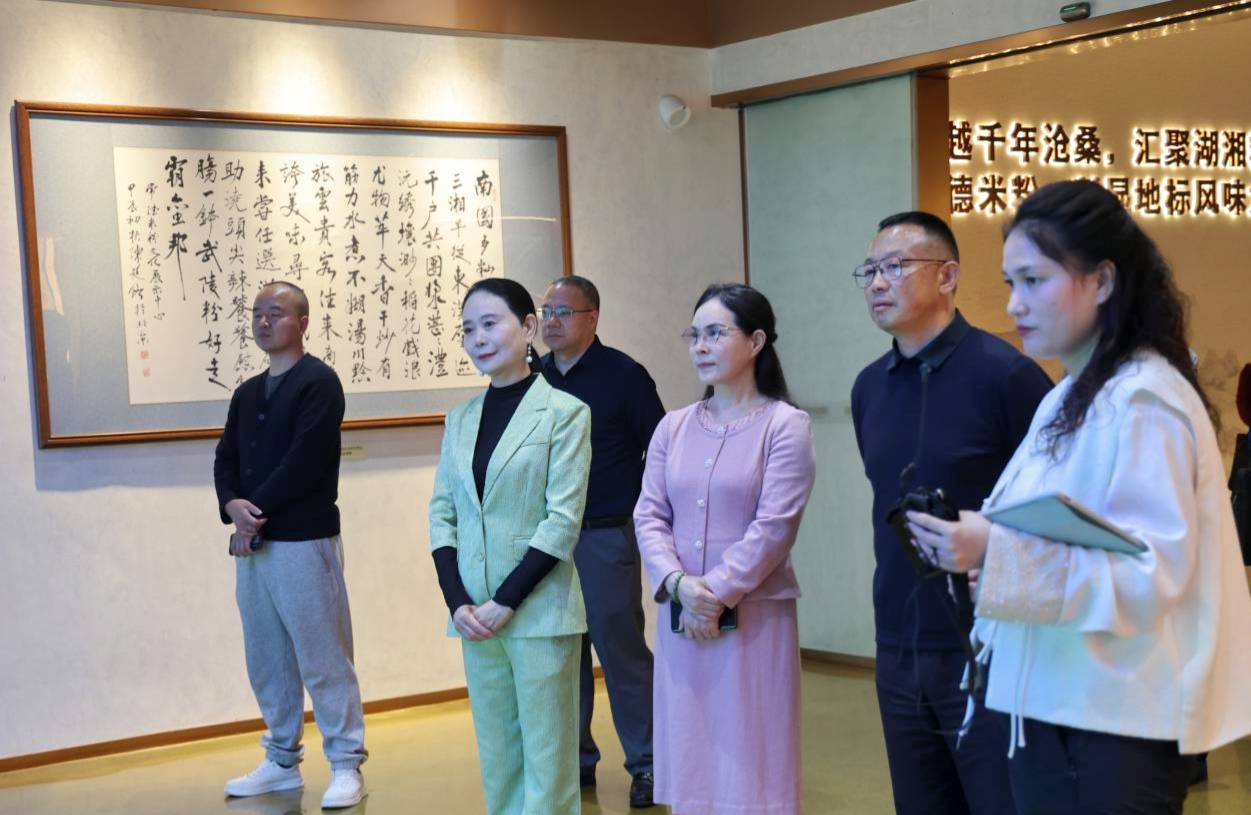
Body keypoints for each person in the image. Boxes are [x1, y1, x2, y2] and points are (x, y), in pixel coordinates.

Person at [907, 179, 1251, 814]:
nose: (1015, 303)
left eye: (1034, 281)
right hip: (1060, 706)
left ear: (1102, 280)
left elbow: (1152, 574)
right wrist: (990, 552)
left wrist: (996, 549)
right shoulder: (1072, 393)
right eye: (1010, 283)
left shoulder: (1142, 399)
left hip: (1112, 720)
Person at [850, 212, 1051, 815]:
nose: (877, 282)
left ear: (947, 276)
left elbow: (1049, 510)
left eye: (895, 267)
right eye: (869, 271)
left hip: (992, 643)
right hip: (898, 643)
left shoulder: (1008, 377)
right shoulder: (869, 387)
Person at [635, 283, 815, 815]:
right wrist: (678, 585)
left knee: (751, 749)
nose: (700, 346)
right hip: (681, 618)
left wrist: (713, 594)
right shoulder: (672, 426)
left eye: (716, 333)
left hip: (754, 619)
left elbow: (775, 526)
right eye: (694, 335)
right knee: (691, 747)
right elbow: (649, 515)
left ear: (756, 341)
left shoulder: (785, 425)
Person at [428, 277, 592, 815]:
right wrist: (459, 602)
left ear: (527, 328)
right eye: (467, 329)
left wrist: (507, 600)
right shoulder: (460, 419)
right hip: (475, 615)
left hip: (538, 611)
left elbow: (561, 521)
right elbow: (443, 515)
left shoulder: (566, 412)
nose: (478, 338)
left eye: (490, 324)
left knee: (548, 759)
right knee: (498, 756)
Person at [213, 281, 369, 809]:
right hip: (253, 546)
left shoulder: (319, 383)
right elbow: (225, 457)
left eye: (275, 313)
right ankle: (281, 761)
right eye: (257, 312)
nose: (263, 321)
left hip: (304, 541)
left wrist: (249, 513)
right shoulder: (246, 392)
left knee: (323, 656)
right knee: (267, 658)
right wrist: (231, 505)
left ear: (302, 323)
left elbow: (305, 461)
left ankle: (346, 764)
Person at [538, 275, 665, 808]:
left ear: (592, 318)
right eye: (546, 311)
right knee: (562, 654)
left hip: (605, 534)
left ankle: (650, 764)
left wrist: (641, 511)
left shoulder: (623, 375)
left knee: (621, 652)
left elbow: (660, 448)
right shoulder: (533, 377)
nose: (551, 321)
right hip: (547, 543)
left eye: (563, 312)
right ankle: (576, 762)